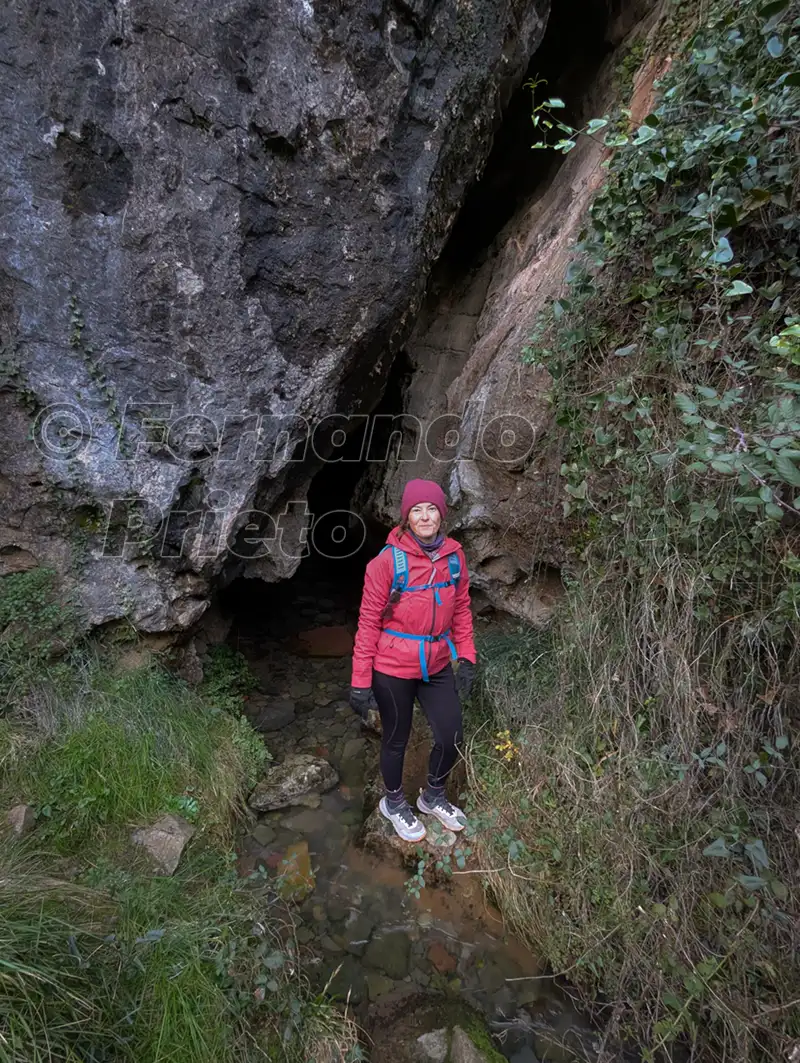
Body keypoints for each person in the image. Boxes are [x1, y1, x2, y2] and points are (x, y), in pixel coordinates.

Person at [349, 478, 477, 841]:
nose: (425, 516)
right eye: (417, 510)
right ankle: (393, 802)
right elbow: (368, 623)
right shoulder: (387, 563)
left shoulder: (455, 557)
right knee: (396, 738)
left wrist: (466, 657)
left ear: (441, 515)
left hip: (436, 662)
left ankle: (433, 795)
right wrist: (360, 683)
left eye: (431, 509)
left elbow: (462, 609)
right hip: (393, 668)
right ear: (406, 517)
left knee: (451, 734)